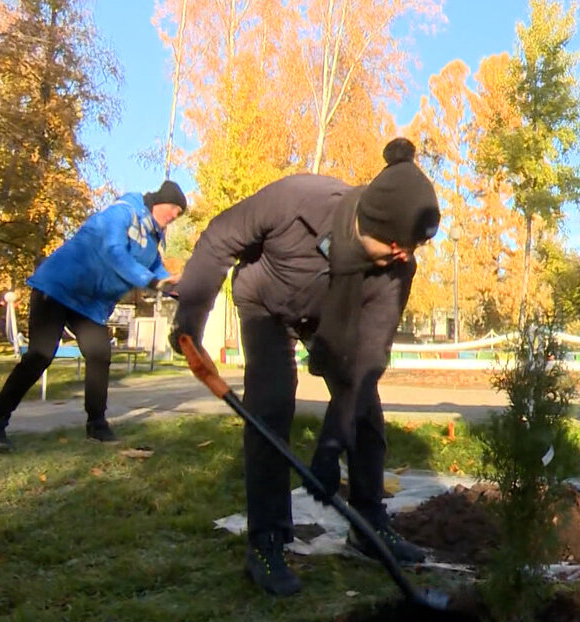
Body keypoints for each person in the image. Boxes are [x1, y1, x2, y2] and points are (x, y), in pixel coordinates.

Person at [168, 138, 440, 597]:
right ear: (370, 224)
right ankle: (267, 542)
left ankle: (369, 527)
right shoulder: (296, 199)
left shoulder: (396, 268)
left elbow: (368, 358)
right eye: (397, 245)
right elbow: (218, 240)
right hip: (265, 303)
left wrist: (333, 442)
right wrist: (190, 321)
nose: (404, 257)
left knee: (365, 410)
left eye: (411, 248)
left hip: (332, 317)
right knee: (271, 407)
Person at [0, 182, 186, 450]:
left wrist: (178, 289)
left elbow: (157, 270)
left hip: (87, 304)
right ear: (159, 201)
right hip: (58, 286)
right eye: (173, 209)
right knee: (40, 355)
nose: (174, 216)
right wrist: (154, 283)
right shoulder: (122, 212)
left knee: (99, 353)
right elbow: (114, 252)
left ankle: (97, 425)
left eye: (179, 214)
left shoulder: (153, 239)